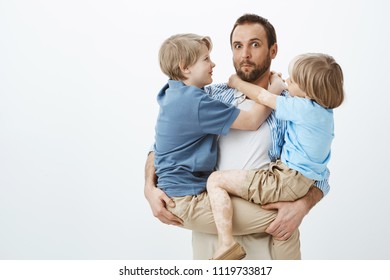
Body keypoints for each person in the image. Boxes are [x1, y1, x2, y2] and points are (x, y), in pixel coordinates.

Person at [145, 14, 329, 260]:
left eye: (255, 44)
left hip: (267, 238)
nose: (245, 54)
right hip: (211, 234)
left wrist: (302, 205)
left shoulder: (293, 107)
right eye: (238, 46)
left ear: (273, 50)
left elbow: (317, 169)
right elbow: (160, 146)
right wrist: (149, 187)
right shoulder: (208, 96)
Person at [153, 32, 286, 260]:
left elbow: (165, 144)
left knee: (284, 221)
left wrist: (239, 84)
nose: (213, 63)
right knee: (282, 222)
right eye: (206, 59)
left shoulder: (172, 93)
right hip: (189, 197)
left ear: (272, 50)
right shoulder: (198, 102)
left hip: (183, 193)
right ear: (185, 68)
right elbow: (253, 121)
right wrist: (274, 92)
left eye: (254, 44)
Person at [206, 53, 344, 259]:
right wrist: (284, 85)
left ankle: (226, 244)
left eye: (293, 80)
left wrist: (237, 82)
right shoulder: (323, 115)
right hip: (301, 182)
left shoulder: (301, 108)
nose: (288, 81)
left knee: (216, 180)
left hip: (286, 179)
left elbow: (263, 97)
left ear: (309, 91)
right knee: (282, 233)